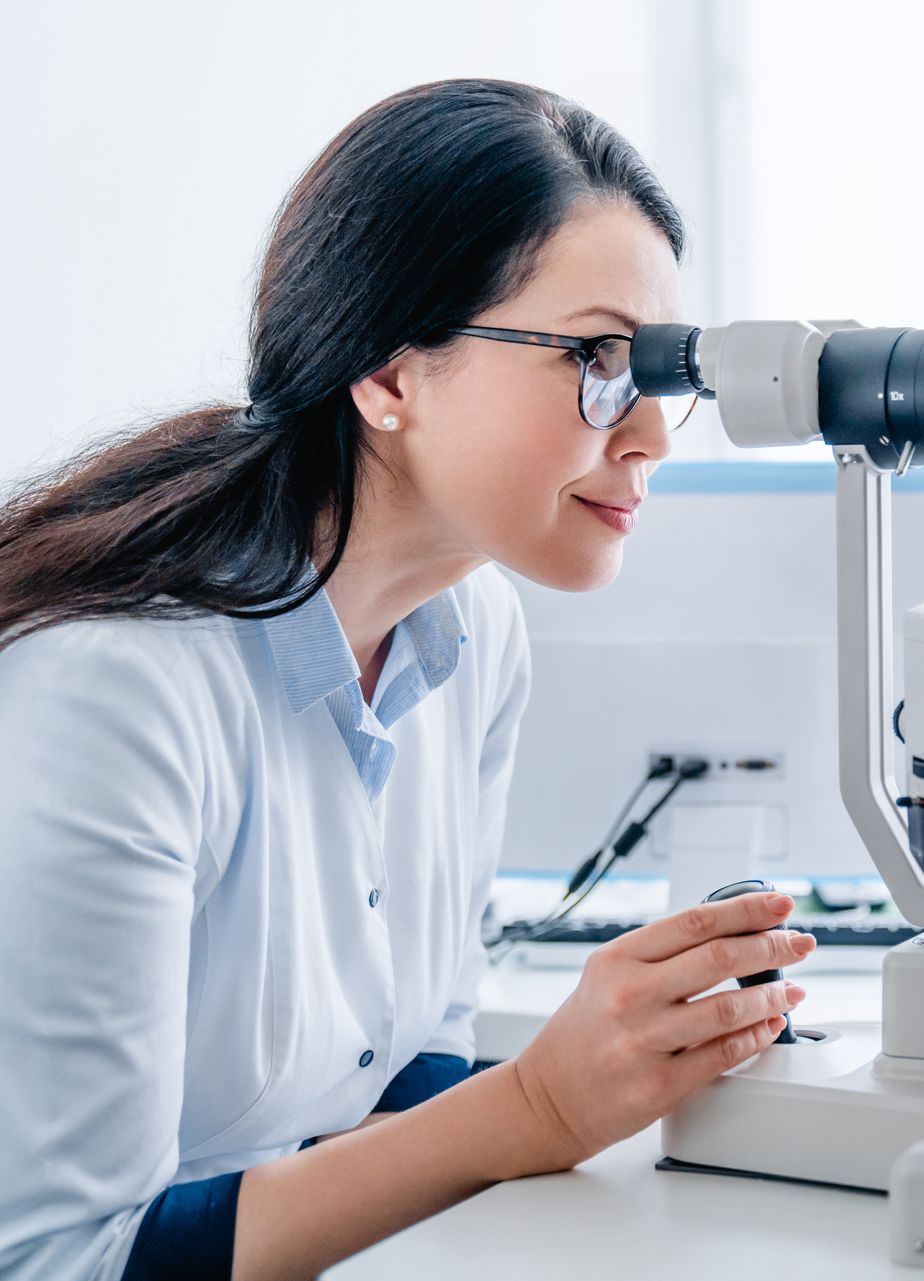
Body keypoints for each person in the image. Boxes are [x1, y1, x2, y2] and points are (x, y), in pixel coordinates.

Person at [0, 79, 810, 1280]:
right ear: (387, 375)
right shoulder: (115, 694)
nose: (649, 436)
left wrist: (650, 1059)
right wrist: (532, 1108)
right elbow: (61, 1260)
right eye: (595, 358)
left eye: (657, 373)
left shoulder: (471, 634)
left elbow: (391, 1074)